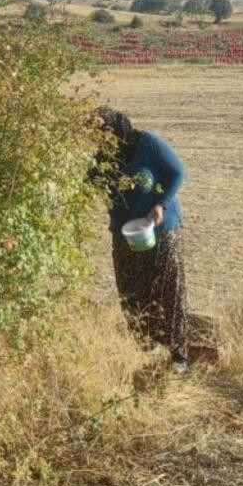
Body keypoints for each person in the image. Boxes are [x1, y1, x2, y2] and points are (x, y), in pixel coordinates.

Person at [95, 107, 190, 372]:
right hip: (125, 233)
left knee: (169, 289)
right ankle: (147, 346)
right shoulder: (102, 158)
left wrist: (161, 204)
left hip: (161, 229)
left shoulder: (147, 143)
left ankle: (178, 355)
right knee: (131, 289)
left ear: (115, 131)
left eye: (101, 134)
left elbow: (177, 172)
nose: (98, 141)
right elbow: (88, 183)